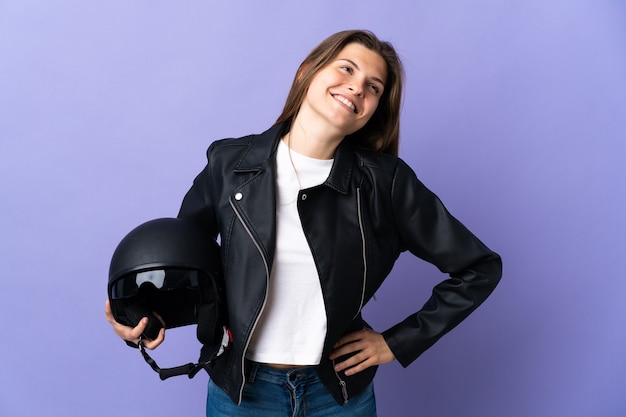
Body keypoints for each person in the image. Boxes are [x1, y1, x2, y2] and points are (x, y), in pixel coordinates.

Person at [105, 29, 502, 416]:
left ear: (374, 111)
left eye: (374, 87)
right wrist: (148, 317)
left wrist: (394, 343)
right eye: (346, 69)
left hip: (338, 394)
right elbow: (191, 266)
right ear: (307, 71)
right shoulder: (229, 165)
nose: (357, 87)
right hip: (241, 393)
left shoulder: (386, 183)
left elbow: (478, 267)